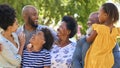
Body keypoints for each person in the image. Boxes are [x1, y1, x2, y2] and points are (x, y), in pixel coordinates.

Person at [84, 3, 120, 68]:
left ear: (105, 15)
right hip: (108, 62)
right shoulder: (116, 31)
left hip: (95, 60)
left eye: (99, 13)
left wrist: (86, 36)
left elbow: (89, 40)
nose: (98, 16)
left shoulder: (98, 28)